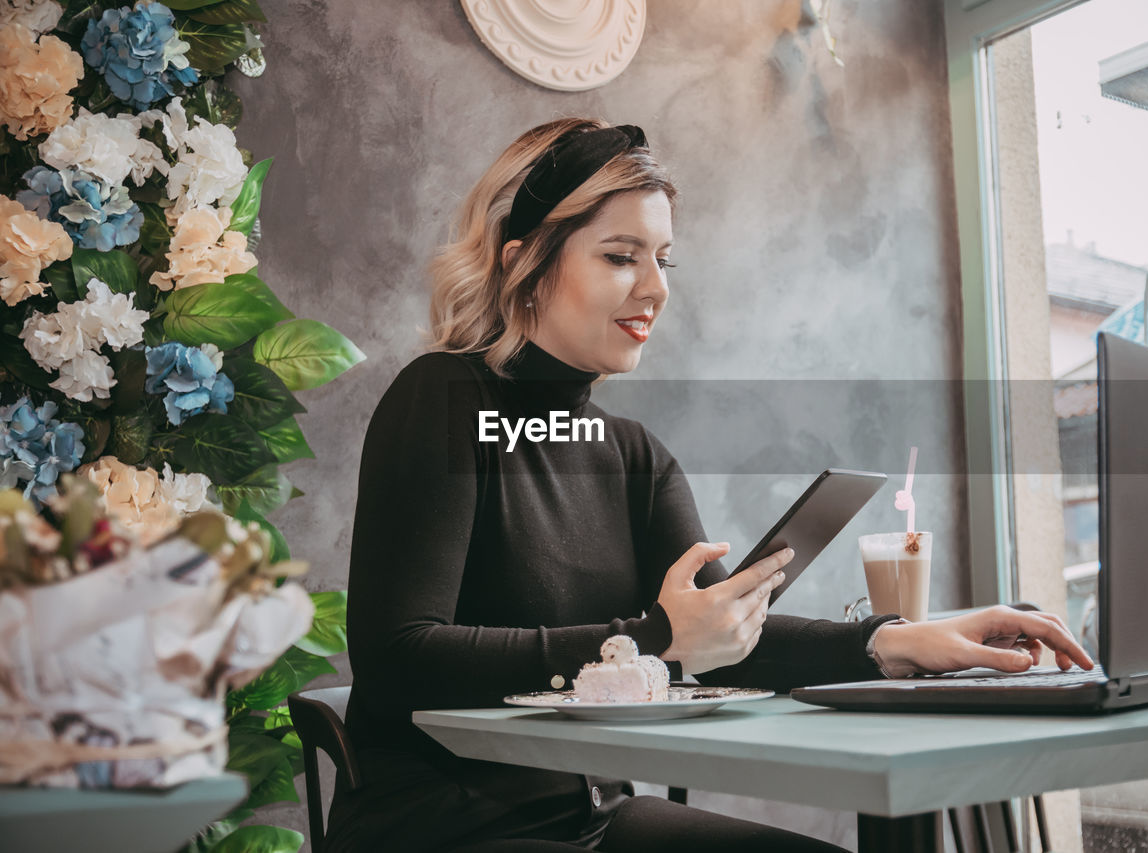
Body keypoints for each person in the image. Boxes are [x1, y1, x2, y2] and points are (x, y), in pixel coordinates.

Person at [328, 118, 1093, 852]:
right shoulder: (442, 399)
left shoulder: (634, 455)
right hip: (437, 828)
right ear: (521, 260)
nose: (655, 288)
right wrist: (656, 639)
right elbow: (400, 658)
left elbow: (731, 643)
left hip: (593, 816)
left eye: (665, 259)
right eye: (621, 256)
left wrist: (894, 642)